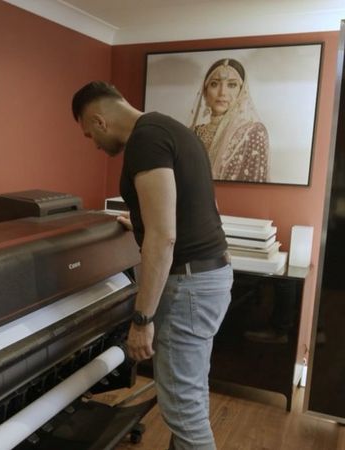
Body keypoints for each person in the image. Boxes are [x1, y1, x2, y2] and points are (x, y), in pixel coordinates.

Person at [72, 81, 233, 450]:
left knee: (184, 412)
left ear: (99, 121)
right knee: (189, 394)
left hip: (189, 286)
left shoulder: (144, 142)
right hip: (212, 275)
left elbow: (165, 237)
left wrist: (142, 320)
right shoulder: (171, 129)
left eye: (88, 135)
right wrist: (142, 222)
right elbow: (198, 207)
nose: (94, 145)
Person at [189, 58, 270, 182]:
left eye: (231, 85)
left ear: (241, 92)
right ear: (205, 92)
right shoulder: (195, 133)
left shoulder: (252, 132)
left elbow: (256, 185)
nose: (222, 92)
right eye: (214, 84)